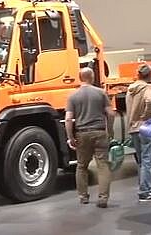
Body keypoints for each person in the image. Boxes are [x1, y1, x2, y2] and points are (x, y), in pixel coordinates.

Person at [65, 68, 115, 208]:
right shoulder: (101, 93)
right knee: (103, 165)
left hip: (82, 133)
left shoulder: (73, 96)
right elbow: (110, 114)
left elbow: (68, 119)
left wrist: (70, 137)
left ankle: (83, 197)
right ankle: (103, 198)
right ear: (92, 77)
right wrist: (109, 130)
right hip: (99, 132)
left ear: (80, 77)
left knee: (81, 166)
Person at [125, 64, 151, 202]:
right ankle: (145, 191)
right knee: (148, 161)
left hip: (133, 128)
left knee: (141, 161)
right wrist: (146, 116)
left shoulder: (130, 89)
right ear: (149, 76)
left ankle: (144, 187)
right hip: (145, 128)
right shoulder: (146, 88)